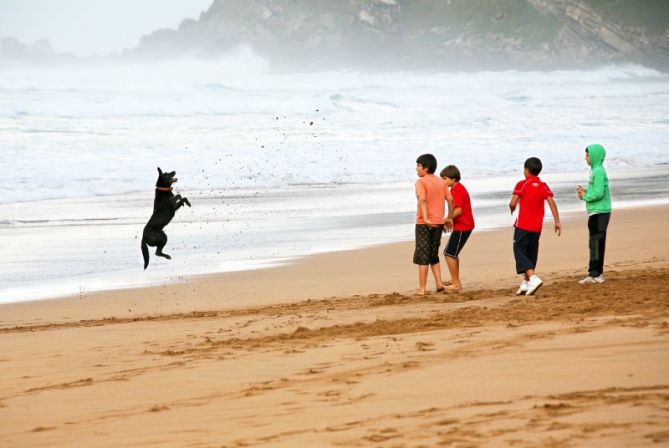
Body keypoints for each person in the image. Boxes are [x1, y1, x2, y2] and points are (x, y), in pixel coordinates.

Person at [509, 157, 561, 296]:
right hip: (536, 227)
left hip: (522, 225)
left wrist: (512, 208)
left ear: (526, 170)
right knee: (531, 253)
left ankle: (532, 277)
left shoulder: (522, 184)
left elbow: (513, 202)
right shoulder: (544, 186)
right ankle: (526, 283)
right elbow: (551, 203)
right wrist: (557, 221)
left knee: (519, 250)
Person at [414, 154, 454, 295]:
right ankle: (438, 283)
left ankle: (422, 289)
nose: (416, 168)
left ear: (426, 168)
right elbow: (450, 198)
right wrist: (449, 217)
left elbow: (422, 200)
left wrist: (425, 218)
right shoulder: (441, 182)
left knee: (423, 256)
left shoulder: (420, 182)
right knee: (433, 254)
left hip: (424, 223)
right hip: (438, 222)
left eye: (418, 165)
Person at [577, 144, 611, 284]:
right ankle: (596, 273)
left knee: (595, 243)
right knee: (597, 243)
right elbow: (596, 190)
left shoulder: (598, 171)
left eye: (587, 155)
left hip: (599, 212)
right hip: (599, 211)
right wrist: (586, 191)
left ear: (595, 156)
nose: (585, 158)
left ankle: (595, 274)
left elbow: (598, 193)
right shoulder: (597, 170)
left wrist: (584, 196)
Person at [440, 165, 474, 292]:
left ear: (453, 179)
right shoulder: (456, 188)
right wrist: (449, 220)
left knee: (448, 254)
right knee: (452, 253)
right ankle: (455, 279)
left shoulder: (457, 189)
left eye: (444, 179)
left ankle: (456, 283)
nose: (442, 181)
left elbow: (458, 210)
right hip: (462, 225)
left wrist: (447, 219)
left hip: (464, 226)